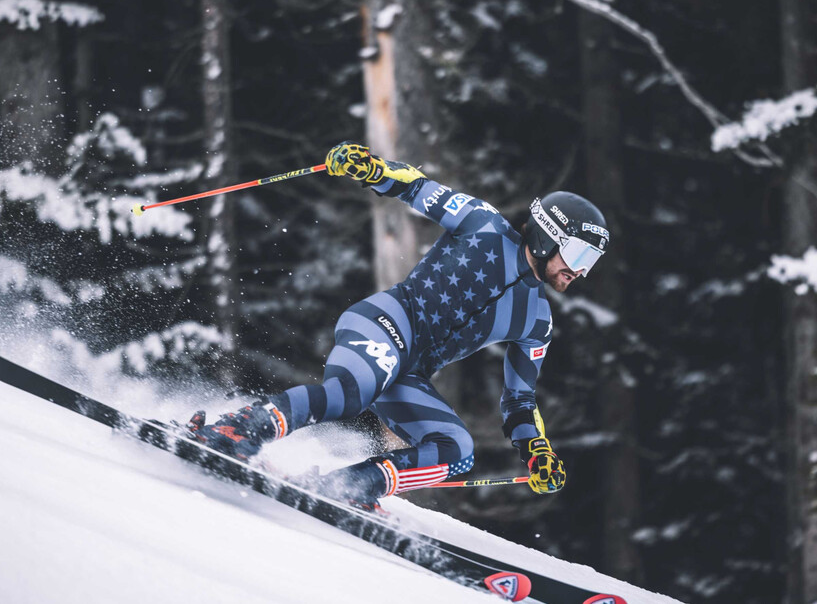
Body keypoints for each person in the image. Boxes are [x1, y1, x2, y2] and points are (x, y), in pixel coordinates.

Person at [188, 141, 610, 510]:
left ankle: (349, 486)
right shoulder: (484, 223)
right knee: (352, 393)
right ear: (547, 234)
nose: (579, 271)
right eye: (576, 255)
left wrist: (536, 449)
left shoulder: (537, 320)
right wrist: (372, 168)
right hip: (385, 323)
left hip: (409, 373)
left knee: (456, 451)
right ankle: (238, 427)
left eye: (589, 262)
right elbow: (416, 187)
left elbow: (520, 400)